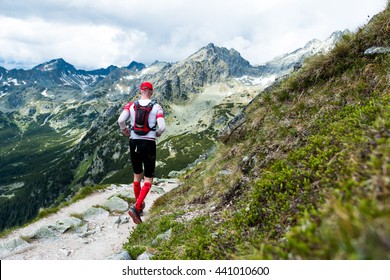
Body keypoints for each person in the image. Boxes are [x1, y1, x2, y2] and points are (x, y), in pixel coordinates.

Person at [117, 81, 166, 224]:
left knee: (137, 175)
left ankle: (139, 206)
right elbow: (162, 127)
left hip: (134, 142)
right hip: (148, 143)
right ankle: (137, 207)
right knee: (148, 178)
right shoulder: (156, 107)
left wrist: (125, 130)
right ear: (151, 92)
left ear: (140, 91)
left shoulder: (131, 105)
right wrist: (156, 133)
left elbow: (121, 120)